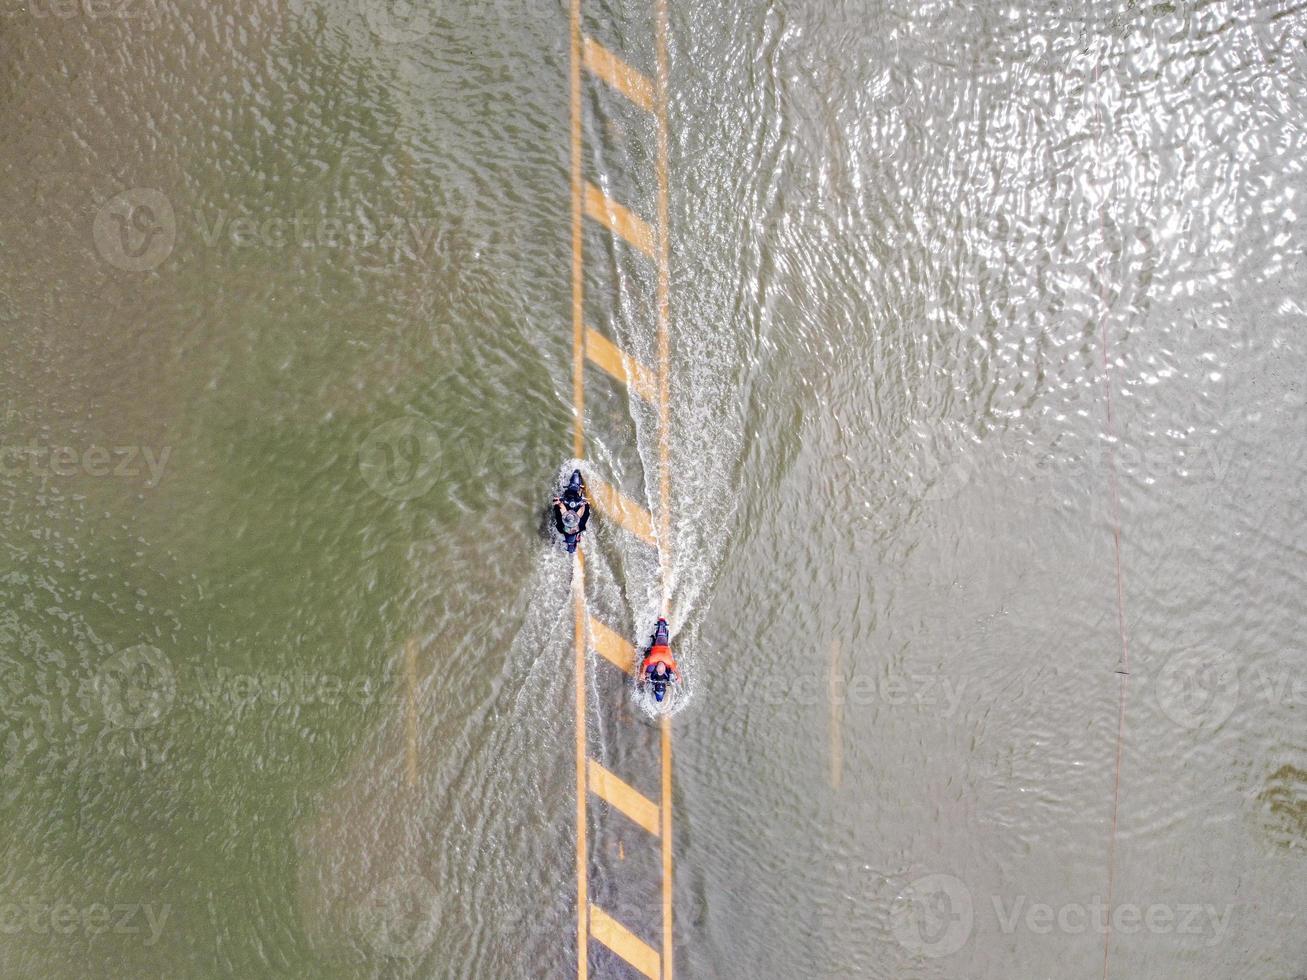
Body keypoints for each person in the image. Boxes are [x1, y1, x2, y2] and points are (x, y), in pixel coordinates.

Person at [640, 617, 679, 701]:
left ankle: (662, 623)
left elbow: (674, 669)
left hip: (662, 648)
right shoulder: (656, 659)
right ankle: (661, 624)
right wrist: (643, 673)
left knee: (670, 671)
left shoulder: (666, 661)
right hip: (660, 648)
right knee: (649, 669)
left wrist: (678, 676)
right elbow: (646, 664)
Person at [553, 470, 589, 548]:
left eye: (569, 531)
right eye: (573, 531)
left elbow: (556, 513)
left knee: (562, 495)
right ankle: (582, 490)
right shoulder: (581, 526)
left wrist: (557, 503)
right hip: (576, 506)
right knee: (583, 499)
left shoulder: (560, 528)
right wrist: (586, 505)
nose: (571, 530)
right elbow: (586, 514)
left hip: (567, 505)